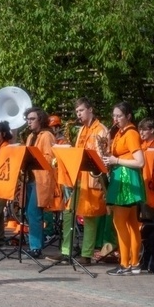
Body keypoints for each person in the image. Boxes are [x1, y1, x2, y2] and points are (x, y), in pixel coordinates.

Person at [46, 98, 112, 266]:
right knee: (69, 213)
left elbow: (102, 156)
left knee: (89, 217)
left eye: (81, 111)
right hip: (78, 179)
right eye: (77, 112)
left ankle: (87, 254)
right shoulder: (82, 129)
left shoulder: (101, 130)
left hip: (93, 180)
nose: (78, 114)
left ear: (90, 109)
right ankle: (66, 251)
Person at [101, 101, 146, 276]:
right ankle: (134, 263)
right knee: (132, 224)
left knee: (119, 223)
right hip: (125, 178)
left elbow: (140, 162)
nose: (115, 119)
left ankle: (125, 264)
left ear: (128, 116)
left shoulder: (131, 133)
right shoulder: (121, 132)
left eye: (119, 115)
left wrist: (115, 161)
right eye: (114, 115)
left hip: (126, 180)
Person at [23, 106, 56, 258]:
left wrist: (34, 157)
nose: (29, 122)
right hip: (30, 178)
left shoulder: (47, 135)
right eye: (27, 119)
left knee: (33, 213)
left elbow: (50, 158)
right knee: (29, 213)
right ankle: (35, 243)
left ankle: (36, 247)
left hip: (40, 180)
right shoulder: (30, 137)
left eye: (32, 119)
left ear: (40, 119)